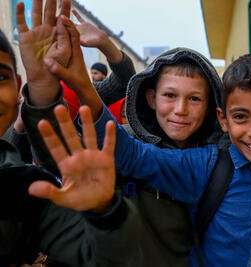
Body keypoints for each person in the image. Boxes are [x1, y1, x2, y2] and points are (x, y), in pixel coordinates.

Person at [42, 31, 251, 266]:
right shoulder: (206, 165)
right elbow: (130, 153)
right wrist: (83, 84)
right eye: (241, 117)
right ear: (223, 119)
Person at [21, 10, 224, 266]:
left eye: (194, 99)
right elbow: (59, 155)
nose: (180, 109)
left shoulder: (219, 163)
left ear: (210, 105)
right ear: (150, 98)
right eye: (170, 96)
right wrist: (42, 90)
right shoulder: (122, 143)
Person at [7, 1, 141, 265]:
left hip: (83, 203)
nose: (56, 48)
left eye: (64, 40)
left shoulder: (81, 91)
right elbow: (8, 156)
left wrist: (105, 44)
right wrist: (23, 119)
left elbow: (125, 82)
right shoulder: (19, 106)